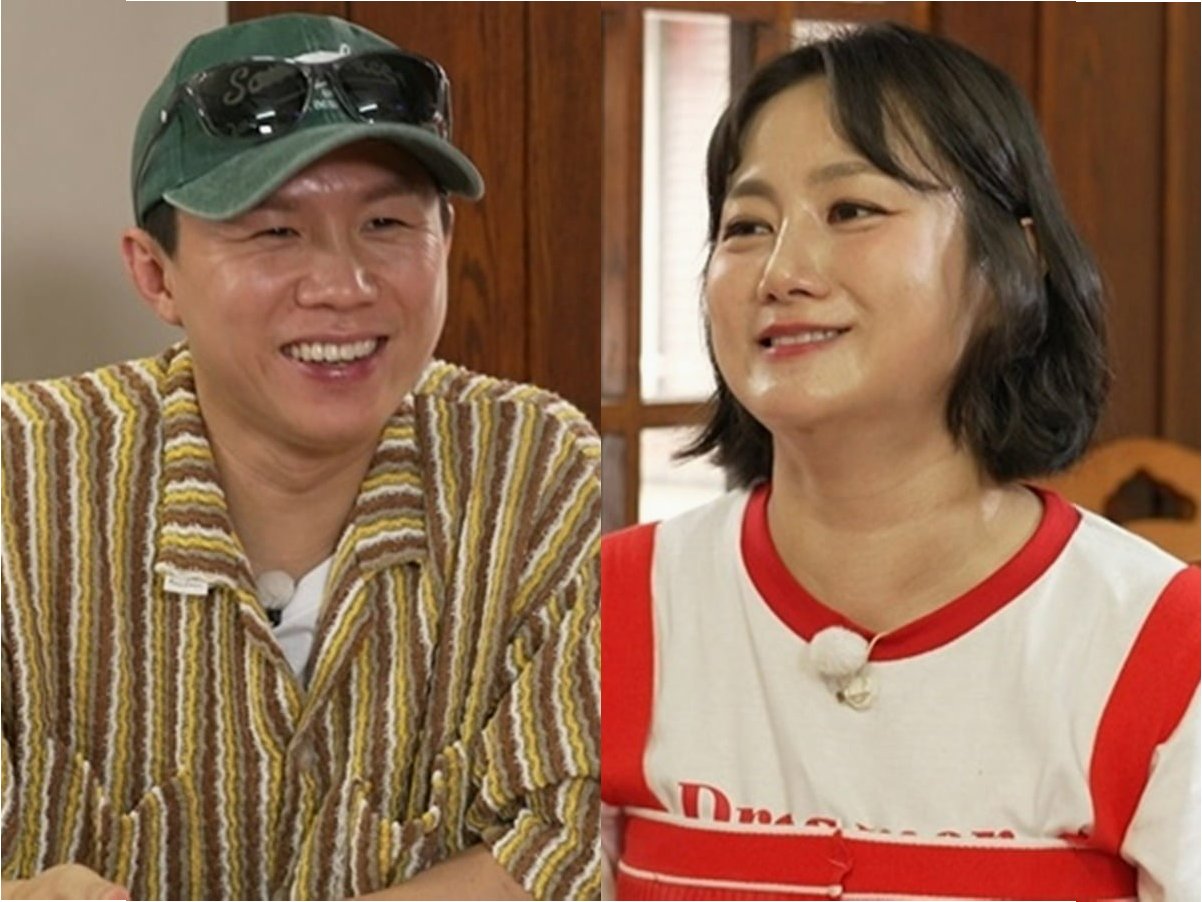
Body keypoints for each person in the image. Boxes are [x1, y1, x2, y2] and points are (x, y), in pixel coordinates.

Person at [1, 13, 599, 901]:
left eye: (386, 223)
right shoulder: (20, 476)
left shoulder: (531, 467)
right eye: (274, 233)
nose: (342, 287)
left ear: (445, 243)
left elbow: (566, 843)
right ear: (155, 274)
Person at [601, 22, 1198, 901]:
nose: (782, 270)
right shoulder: (606, 610)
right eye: (746, 225)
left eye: (852, 210)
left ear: (1011, 264)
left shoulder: (1165, 650)